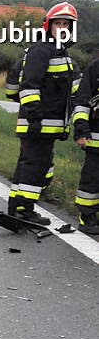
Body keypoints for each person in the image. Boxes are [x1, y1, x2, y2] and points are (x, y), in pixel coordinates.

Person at [8, 2, 80, 225]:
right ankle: (24, 211)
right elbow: (28, 87)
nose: (62, 28)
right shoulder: (42, 50)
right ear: (48, 26)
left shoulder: (64, 55)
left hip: (50, 126)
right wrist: (35, 117)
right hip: (37, 123)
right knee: (36, 165)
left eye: (66, 24)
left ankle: (16, 205)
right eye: (58, 23)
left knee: (32, 165)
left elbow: (73, 92)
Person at [71, 56, 99, 234]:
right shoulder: (96, 67)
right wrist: (81, 130)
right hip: (96, 140)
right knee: (92, 179)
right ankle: (87, 218)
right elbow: (82, 102)